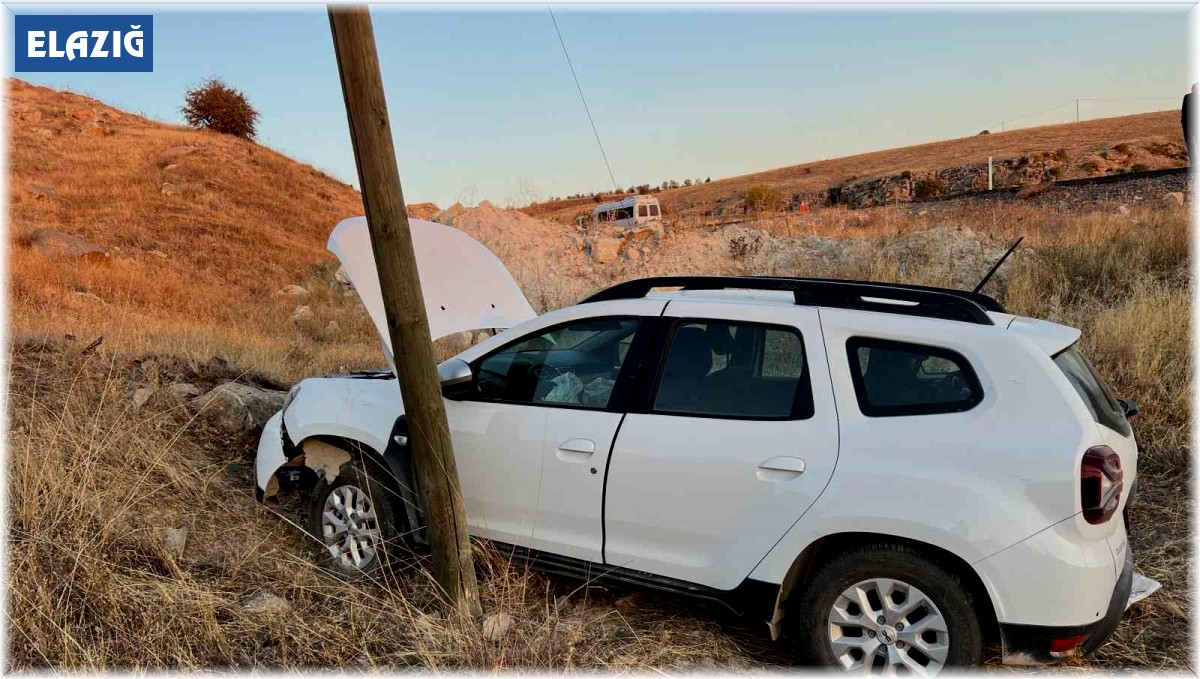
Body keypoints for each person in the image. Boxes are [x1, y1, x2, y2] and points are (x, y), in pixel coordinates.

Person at [1184, 84, 1197, 166]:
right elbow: (1184, 110)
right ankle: (1194, 163)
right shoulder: (1188, 97)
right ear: (1192, 89)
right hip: (1189, 123)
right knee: (1190, 143)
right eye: (1195, 88)